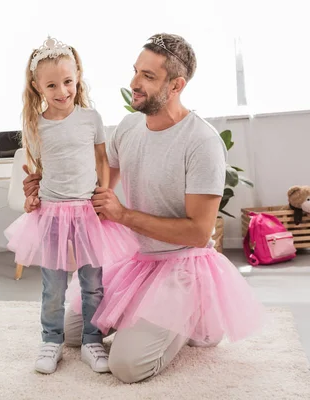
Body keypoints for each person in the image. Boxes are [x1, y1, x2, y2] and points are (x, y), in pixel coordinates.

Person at [23, 33, 265, 383]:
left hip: (181, 263)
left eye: (148, 77)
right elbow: (96, 186)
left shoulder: (202, 142)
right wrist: (43, 188)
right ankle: (147, 316)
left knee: (127, 365)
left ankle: (190, 314)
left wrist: (123, 215)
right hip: (137, 261)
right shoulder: (128, 126)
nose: (134, 83)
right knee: (73, 334)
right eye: (136, 71)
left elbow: (199, 233)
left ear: (176, 85)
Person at [4, 36, 138, 375]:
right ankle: (51, 340)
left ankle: (93, 340)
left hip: (87, 211)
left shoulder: (91, 118)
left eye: (67, 81)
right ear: (37, 87)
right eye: (52, 85)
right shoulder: (36, 125)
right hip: (51, 214)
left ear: (77, 76)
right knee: (54, 285)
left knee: (93, 282)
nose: (62, 91)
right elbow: (39, 171)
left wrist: (104, 192)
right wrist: (32, 193)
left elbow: (100, 160)